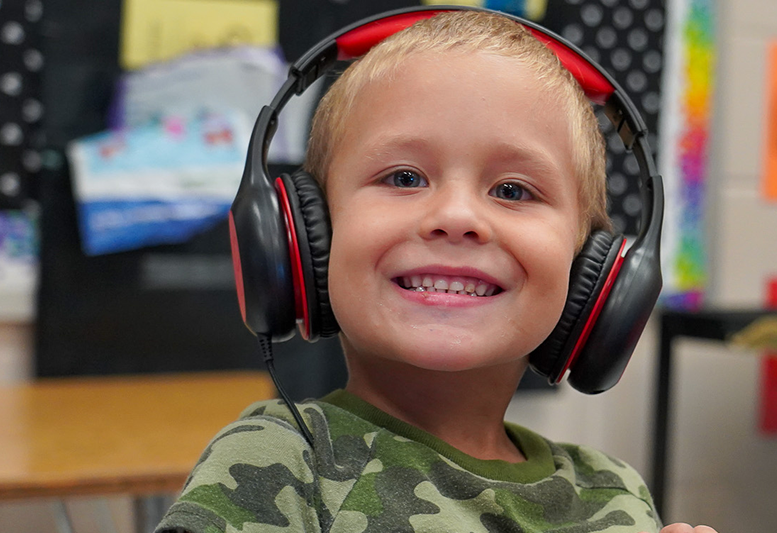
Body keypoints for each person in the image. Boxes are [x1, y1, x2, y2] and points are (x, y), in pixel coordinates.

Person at [154, 10, 717, 533]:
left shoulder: (612, 493)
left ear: (592, 274)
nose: (456, 217)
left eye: (512, 190)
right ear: (300, 237)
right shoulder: (280, 463)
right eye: (403, 178)